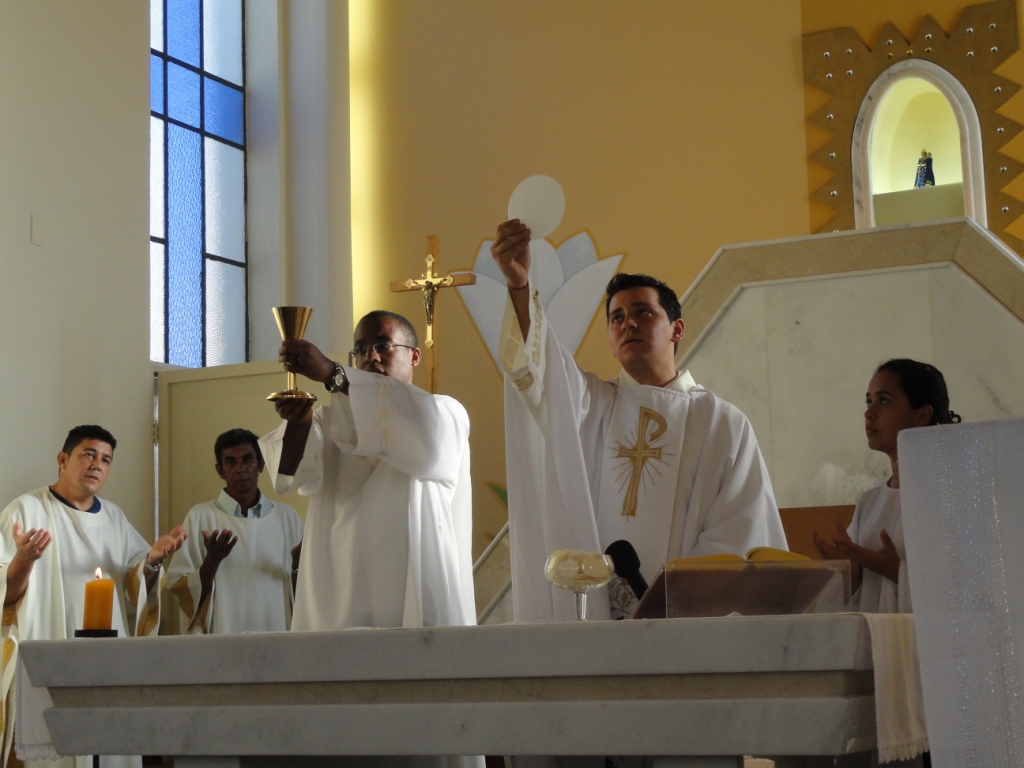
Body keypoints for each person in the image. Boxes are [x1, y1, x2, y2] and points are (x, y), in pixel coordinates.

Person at [491, 219, 787, 621]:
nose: (627, 323)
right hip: (594, 621)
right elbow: (545, 369)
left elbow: (740, 528)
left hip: (686, 627)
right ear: (612, 344)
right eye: (616, 318)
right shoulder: (591, 405)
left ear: (676, 329)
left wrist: (674, 604)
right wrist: (520, 288)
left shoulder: (721, 422)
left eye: (643, 312)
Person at [260, 310, 476, 630]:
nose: (371, 356)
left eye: (383, 345)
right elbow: (288, 472)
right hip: (339, 596)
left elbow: (422, 435)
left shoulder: (444, 413)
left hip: (413, 596)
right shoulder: (329, 420)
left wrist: (333, 373)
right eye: (360, 349)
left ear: (414, 356)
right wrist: (298, 421)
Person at [0, 424, 187, 768]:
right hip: (48, 657)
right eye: (89, 454)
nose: (97, 465)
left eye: (105, 459)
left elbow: (135, 592)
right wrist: (23, 560)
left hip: (105, 663)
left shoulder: (114, 517)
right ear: (62, 459)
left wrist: (151, 561)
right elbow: (5, 597)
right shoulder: (25, 511)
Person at [813, 359, 960, 613]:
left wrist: (894, 570)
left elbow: (971, 593)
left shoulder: (951, 496)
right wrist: (852, 575)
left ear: (922, 415)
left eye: (883, 400)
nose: (869, 413)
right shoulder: (869, 503)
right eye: (868, 401)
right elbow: (848, 604)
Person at [167, 428, 303, 634]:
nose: (240, 468)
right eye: (231, 462)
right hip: (222, 634)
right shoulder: (200, 517)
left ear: (260, 464)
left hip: (275, 630)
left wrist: (297, 567)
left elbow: (306, 589)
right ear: (220, 470)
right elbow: (179, 587)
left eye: (247, 459)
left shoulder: (287, 517)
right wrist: (212, 561)